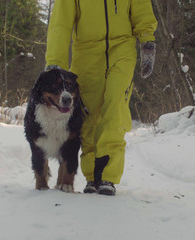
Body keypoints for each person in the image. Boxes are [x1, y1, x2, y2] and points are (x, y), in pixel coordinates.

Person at [45, 0, 157, 196]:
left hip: (122, 48)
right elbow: (61, 23)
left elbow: (140, 6)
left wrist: (147, 40)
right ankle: (92, 176)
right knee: (89, 113)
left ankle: (108, 175)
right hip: (86, 52)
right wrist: (55, 62)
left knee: (115, 104)